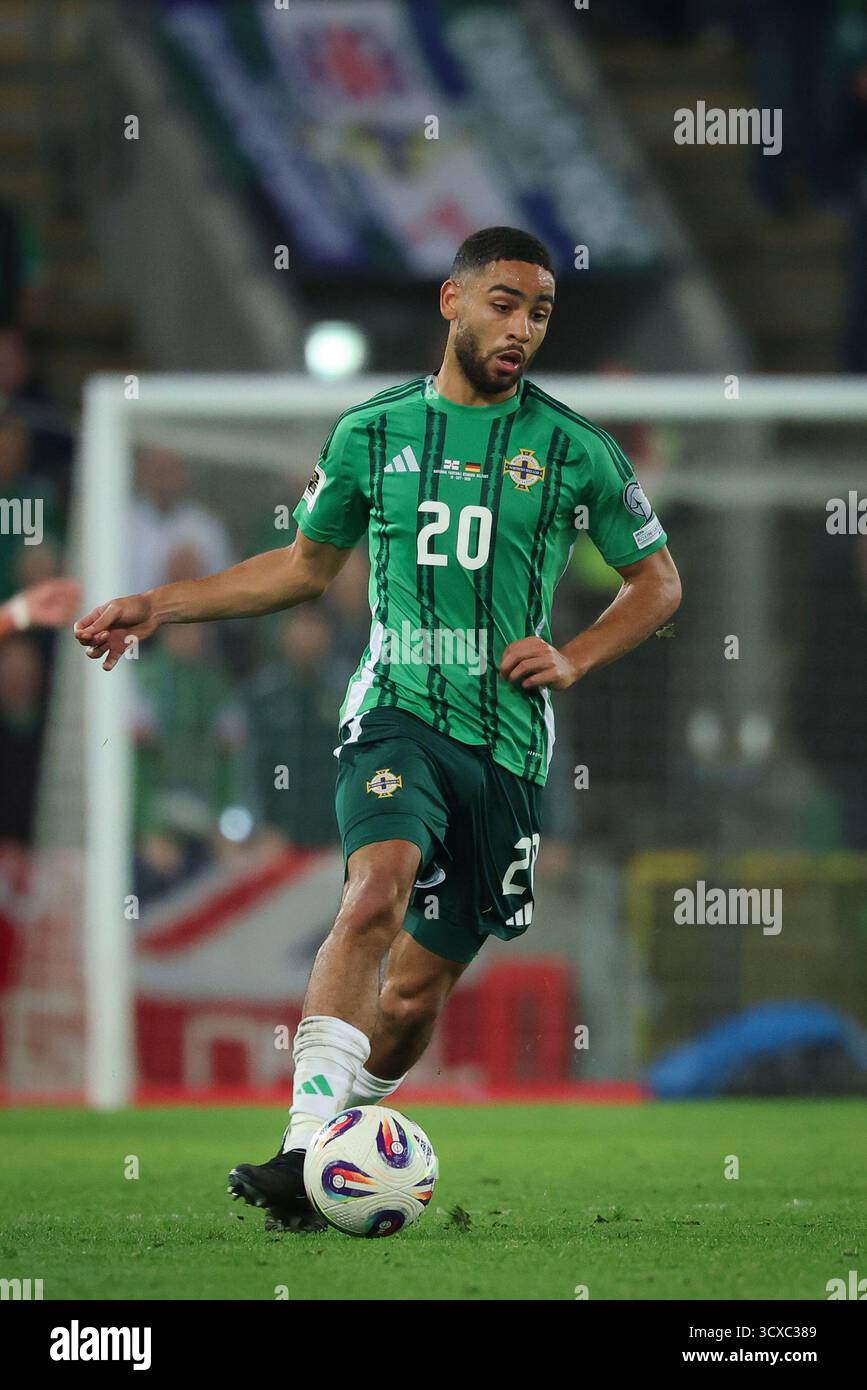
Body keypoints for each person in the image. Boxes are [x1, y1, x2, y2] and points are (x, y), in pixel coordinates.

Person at [73, 226, 681, 1233]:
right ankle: (303, 1150)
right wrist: (162, 603)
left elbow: (657, 582)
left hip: (508, 749)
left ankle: (337, 1139)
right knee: (373, 892)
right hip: (394, 711)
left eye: (539, 311)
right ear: (452, 302)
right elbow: (302, 568)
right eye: (504, 301)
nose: (521, 325)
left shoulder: (574, 448)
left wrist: (574, 656)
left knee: (409, 1001)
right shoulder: (371, 432)